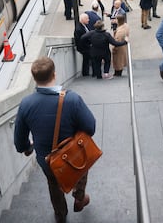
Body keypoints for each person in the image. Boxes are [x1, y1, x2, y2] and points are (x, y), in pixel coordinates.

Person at [13, 57, 95, 223]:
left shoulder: (26, 104)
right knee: (80, 169)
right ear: (54, 74)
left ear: (34, 79)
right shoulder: (72, 99)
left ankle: (60, 214)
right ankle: (79, 197)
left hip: (48, 160)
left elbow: (19, 141)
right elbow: (90, 127)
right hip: (73, 154)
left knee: (53, 183)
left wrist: (27, 148)